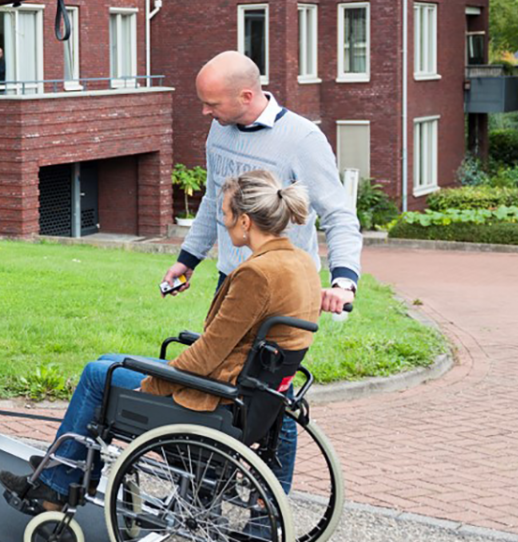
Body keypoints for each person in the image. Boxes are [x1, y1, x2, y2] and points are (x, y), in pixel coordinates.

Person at [0, 168, 323, 509]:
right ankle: (65, 465)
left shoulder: (257, 274)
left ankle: (56, 485)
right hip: (251, 390)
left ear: (245, 221)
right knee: (110, 359)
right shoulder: (300, 263)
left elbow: (209, 353)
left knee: (98, 375)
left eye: (225, 213)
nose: (223, 222)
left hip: (219, 397)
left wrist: (154, 385)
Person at [165, 50, 363, 493]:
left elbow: (338, 214)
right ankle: (208, 489)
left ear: (247, 95)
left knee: (271, 398)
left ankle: (270, 502)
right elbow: (215, 204)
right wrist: (188, 259)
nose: (205, 113)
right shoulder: (220, 130)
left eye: (213, 104)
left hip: (284, 289)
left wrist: (343, 279)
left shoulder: (301, 139)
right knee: (220, 386)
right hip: (234, 282)